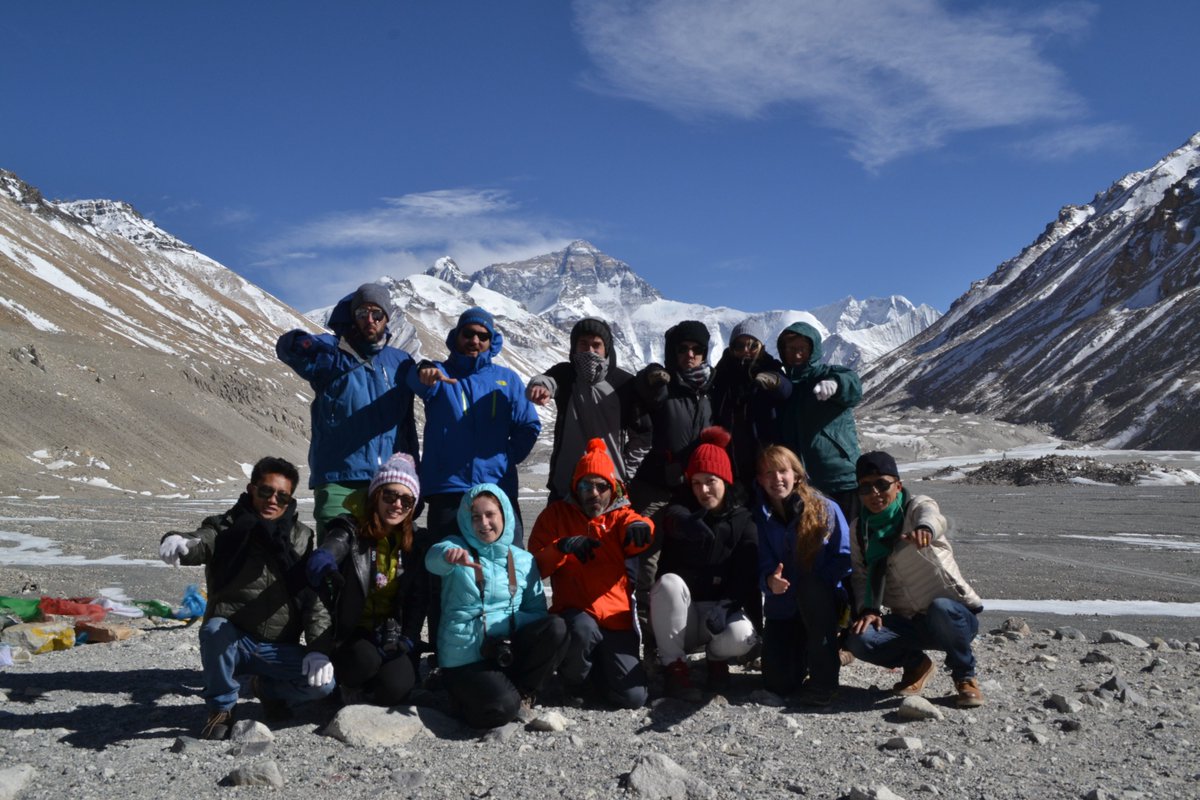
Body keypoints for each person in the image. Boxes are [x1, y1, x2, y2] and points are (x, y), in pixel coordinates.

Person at [159, 456, 334, 740]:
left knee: (323, 685)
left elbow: (313, 597)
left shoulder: (301, 538)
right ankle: (222, 708)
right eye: (266, 491)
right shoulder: (226, 527)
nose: (272, 500)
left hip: (277, 648)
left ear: (290, 500)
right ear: (252, 489)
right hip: (234, 641)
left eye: (282, 495)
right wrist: (178, 540)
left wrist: (318, 649)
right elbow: (201, 541)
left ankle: (266, 689)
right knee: (215, 629)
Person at [276, 282, 419, 541]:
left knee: (384, 567)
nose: (370, 320)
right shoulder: (332, 354)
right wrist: (300, 342)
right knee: (335, 561)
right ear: (352, 317)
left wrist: (414, 475)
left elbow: (406, 424)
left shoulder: (401, 362)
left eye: (377, 314)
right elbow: (288, 351)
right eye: (362, 314)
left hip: (389, 482)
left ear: (387, 318)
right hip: (338, 477)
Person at [845, 451, 986, 708]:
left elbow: (932, 515)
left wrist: (925, 530)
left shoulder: (914, 508)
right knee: (859, 639)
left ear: (897, 485)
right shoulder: (859, 529)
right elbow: (861, 574)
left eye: (882, 484)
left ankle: (965, 677)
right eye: (866, 487)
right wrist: (868, 609)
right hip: (908, 620)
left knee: (940, 608)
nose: (874, 492)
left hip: (952, 617)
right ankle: (916, 665)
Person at [425, 484, 568, 728]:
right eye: (476, 517)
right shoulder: (456, 547)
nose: (484, 523)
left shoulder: (522, 559)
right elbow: (434, 559)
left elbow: (536, 612)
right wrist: (449, 557)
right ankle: (461, 698)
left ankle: (524, 694)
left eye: (490, 514)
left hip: (505, 648)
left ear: (504, 515)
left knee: (556, 628)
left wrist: (507, 624)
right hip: (466, 656)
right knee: (501, 708)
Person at [528, 439, 654, 708]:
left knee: (633, 698)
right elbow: (535, 567)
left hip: (615, 618)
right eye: (586, 485)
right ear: (576, 486)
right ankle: (574, 683)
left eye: (601, 485)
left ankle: (598, 675)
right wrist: (561, 547)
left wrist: (643, 527)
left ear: (612, 487)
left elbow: (638, 527)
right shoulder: (556, 516)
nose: (593, 493)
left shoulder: (621, 516)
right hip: (576, 613)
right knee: (582, 630)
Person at [407, 307, 540, 547]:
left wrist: (507, 457)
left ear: (492, 341)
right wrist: (422, 371)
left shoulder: (507, 379)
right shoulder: (440, 373)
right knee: (448, 570)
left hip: (498, 487)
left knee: (509, 565)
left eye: (483, 336)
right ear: (457, 336)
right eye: (468, 333)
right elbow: (414, 380)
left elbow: (528, 424)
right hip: (448, 490)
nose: (475, 340)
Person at [306, 453, 426, 706]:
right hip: (351, 633)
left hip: (387, 633)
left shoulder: (413, 541)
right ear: (375, 495)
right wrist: (325, 559)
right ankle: (348, 682)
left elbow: (418, 597)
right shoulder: (351, 527)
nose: (397, 505)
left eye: (406, 500)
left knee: (398, 688)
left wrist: (408, 638)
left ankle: (372, 681)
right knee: (365, 661)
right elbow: (333, 546)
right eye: (390, 495)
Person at [628, 320, 717, 654]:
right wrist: (652, 374)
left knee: (687, 562)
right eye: (683, 349)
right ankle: (647, 641)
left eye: (696, 349)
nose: (690, 355)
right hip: (655, 487)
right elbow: (644, 390)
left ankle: (685, 637)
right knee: (647, 564)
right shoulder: (663, 385)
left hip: (693, 491)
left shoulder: (710, 390)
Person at [651, 427, 759, 699]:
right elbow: (672, 517)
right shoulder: (683, 510)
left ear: (725, 479)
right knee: (668, 583)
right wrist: (685, 525)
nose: (703, 489)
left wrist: (727, 605)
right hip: (683, 614)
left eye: (710, 481)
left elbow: (747, 571)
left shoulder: (743, 520)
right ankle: (674, 666)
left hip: (717, 614)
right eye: (696, 483)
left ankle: (716, 658)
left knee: (744, 635)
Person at [754, 445, 850, 706]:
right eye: (768, 473)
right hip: (782, 605)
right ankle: (809, 655)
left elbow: (844, 557)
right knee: (778, 684)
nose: (777, 479)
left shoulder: (825, 509)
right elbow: (760, 564)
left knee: (810, 589)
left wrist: (817, 583)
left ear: (796, 475)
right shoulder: (759, 518)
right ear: (760, 480)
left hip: (822, 603)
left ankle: (824, 682)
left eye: (783, 471)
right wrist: (769, 582)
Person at [526, 317, 648, 502]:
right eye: (583, 343)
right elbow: (546, 380)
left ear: (606, 349)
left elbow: (643, 435)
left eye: (596, 345)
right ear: (574, 347)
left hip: (610, 489)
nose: (590, 350)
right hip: (565, 487)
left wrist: (626, 473)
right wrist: (540, 387)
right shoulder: (566, 375)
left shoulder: (624, 384)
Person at [776, 321, 862, 524]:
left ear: (813, 350)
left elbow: (854, 388)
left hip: (839, 479)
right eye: (791, 349)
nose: (797, 355)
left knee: (850, 541)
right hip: (802, 484)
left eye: (802, 349)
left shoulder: (828, 374)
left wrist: (837, 385)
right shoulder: (783, 387)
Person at [710, 319, 790, 492]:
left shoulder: (771, 368)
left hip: (765, 459)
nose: (746, 350)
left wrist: (774, 382)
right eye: (739, 346)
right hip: (731, 460)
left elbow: (786, 390)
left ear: (761, 347)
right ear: (731, 348)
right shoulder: (721, 375)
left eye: (752, 345)